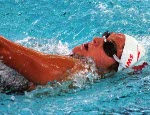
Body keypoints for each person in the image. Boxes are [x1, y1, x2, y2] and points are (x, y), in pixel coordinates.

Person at [0, 32, 146, 91]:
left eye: (109, 46)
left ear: (112, 69)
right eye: (106, 35)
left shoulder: (77, 68)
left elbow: (5, 51)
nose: (97, 39)